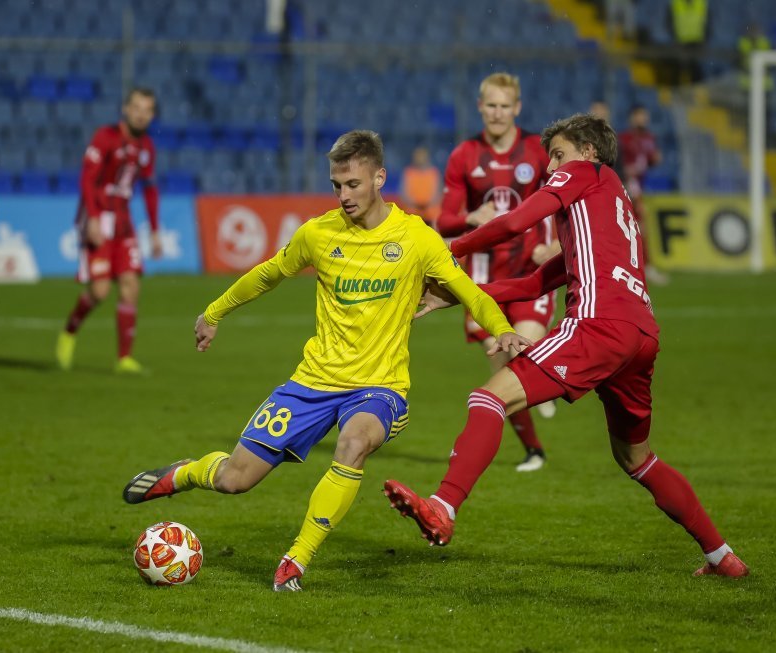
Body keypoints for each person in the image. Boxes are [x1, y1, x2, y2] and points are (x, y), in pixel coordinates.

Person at [121, 130, 531, 591]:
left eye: (353, 184)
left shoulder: (417, 238)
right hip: (313, 382)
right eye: (336, 185)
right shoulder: (318, 234)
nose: (344, 195)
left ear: (379, 177)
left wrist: (502, 330)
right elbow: (268, 273)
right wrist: (213, 312)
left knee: (353, 443)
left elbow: (470, 293)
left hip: (380, 387)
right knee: (235, 480)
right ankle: (185, 472)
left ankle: (296, 559)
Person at [384, 114, 748, 579]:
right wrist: (453, 294)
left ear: (588, 151)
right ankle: (722, 557)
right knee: (637, 458)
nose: (550, 164)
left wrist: (447, 251)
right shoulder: (607, 207)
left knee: (490, 397)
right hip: (640, 336)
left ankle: (443, 507)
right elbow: (536, 281)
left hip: (599, 326)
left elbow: (515, 220)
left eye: (558, 153)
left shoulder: (583, 174)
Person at [435, 72, 560, 473]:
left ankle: (547, 375)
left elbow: (567, 202)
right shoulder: (464, 155)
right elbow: (445, 220)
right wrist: (471, 215)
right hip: (485, 279)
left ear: (517, 108)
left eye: (505, 106)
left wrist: (555, 247)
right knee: (502, 376)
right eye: (491, 105)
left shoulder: (539, 152)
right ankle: (535, 451)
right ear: (480, 106)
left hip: (531, 269)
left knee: (523, 348)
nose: (498, 113)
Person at [56, 87, 163, 374]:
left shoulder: (147, 148)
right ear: (126, 109)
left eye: (147, 110)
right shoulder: (105, 137)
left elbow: (150, 190)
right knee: (100, 291)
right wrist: (91, 218)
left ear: (152, 115)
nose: (141, 114)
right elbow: (87, 179)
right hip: (98, 218)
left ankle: (124, 358)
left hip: (124, 223)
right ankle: (69, 331)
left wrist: (154, 231)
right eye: (137, 108)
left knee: (131, 287)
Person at [618, 105, 667, 285]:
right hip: (627, 186)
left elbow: (651, 160)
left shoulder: (649, 138)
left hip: (639, 186)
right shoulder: (623, 138)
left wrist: (654, 159)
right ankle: (642, 267)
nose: (642, 119)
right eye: (639, 115)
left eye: (644, 116)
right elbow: (621, 164)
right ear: (632, 117)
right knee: (635, 228)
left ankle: (640, 267)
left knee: (638, 228)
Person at [399, 145, 441, 224]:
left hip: (430, 215)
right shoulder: (408, 173)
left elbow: (436, 196)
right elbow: (404, 195)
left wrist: (425, 203)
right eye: (418, 156)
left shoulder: (434, 173)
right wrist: (417, 203)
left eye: (422, 155)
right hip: (412, 214)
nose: (420, 158)